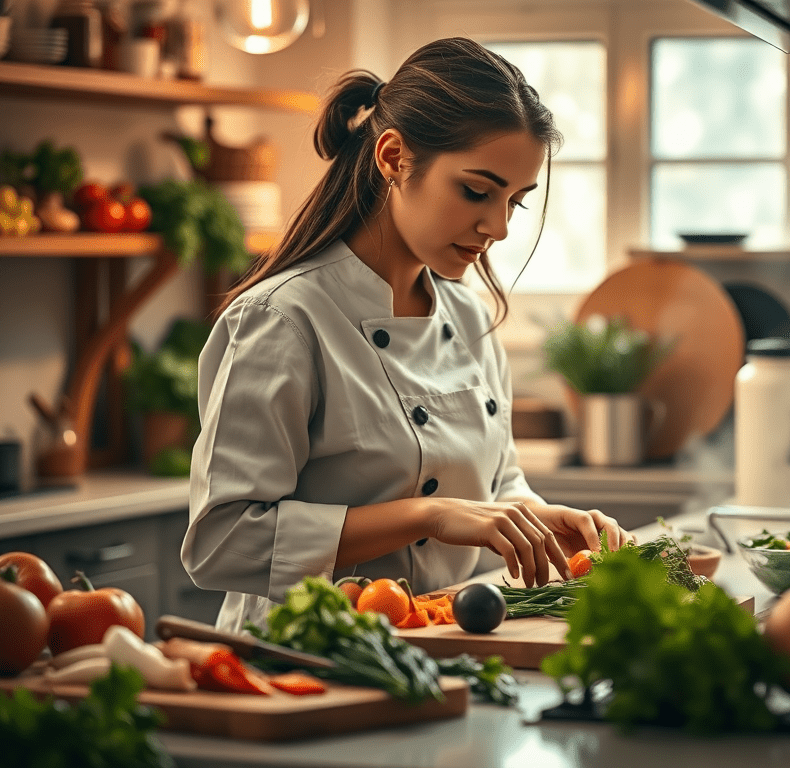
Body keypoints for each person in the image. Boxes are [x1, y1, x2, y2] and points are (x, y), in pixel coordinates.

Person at [182, 37, 631, 633]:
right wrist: (426, 515)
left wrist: (537, 517)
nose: (496, 226)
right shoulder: (282, 320)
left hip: (443, 646)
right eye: (477, 191)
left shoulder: (470, 319)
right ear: (393, 158)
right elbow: (221, 543)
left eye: (515, 203)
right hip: (303, 657)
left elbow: (496, 484)